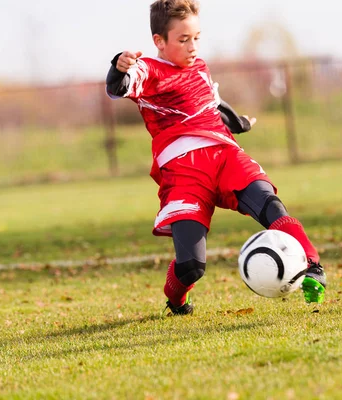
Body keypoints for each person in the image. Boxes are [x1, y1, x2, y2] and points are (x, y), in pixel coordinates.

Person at [105, 0, 326, 315]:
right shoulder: (149, 71)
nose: (193, 46)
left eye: (196, 37)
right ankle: (177, 300)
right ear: (159, 42)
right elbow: (119, 86)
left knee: (269, 204)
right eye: (183, 39)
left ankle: (313, 266)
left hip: (225, 156)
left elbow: (212, 103)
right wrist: (119, 65)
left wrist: (239, 123)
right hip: (184, 174)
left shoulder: (200, 66)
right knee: (191, 266)